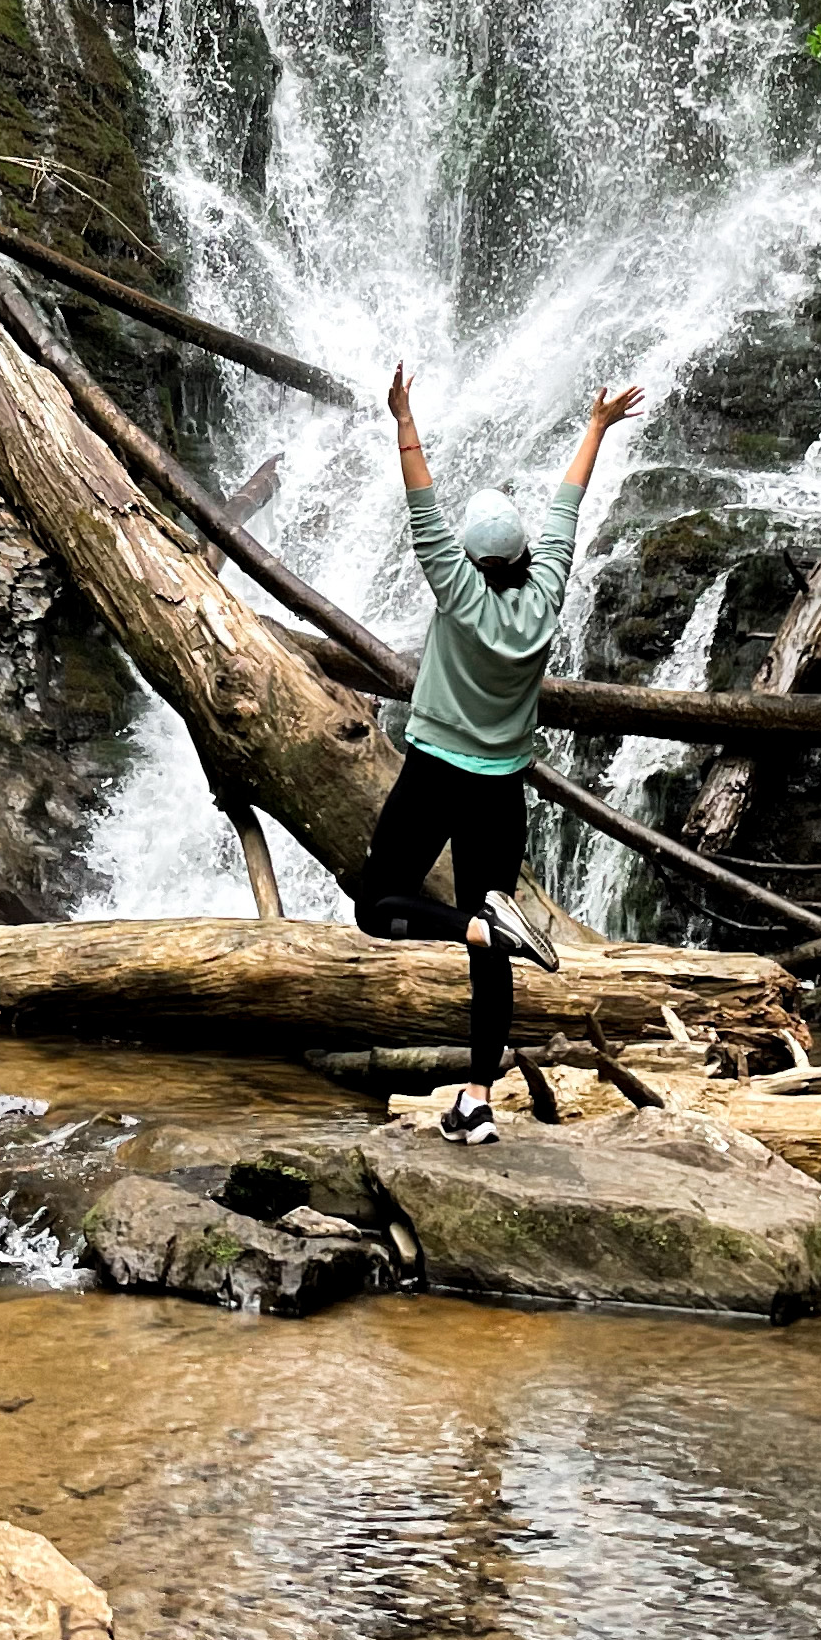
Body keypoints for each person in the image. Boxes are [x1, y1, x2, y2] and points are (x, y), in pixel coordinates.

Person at [356, 362, 644, 1143]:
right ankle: (478, 1101)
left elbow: (421, 499)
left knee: (377, 905)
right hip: (503, 791)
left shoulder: (456, 589)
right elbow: (567, 506)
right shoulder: (546, 590)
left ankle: (474, 928)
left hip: (437, 775)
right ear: (519, 554)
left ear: (469, 559)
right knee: (496, 938)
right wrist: (597, 425)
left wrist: (402, 415)